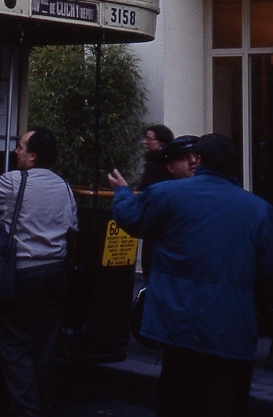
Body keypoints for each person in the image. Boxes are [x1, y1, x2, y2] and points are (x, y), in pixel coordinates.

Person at [109, 134, 273, 417]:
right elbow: (267, 273)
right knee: (225, 403)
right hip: (231, 329)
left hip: (179, 324)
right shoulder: (259, 209)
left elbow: (132, 219)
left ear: (199, 160)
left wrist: (122, 193)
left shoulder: (167, 194)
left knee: (178, 399)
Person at [0, 127, 78, 417]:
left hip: (23, 273)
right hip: (56, 272)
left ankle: (29, 411)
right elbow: (72, 227)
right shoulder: (64, 187)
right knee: (46, 346)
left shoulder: (15, 182)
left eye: (21, 146)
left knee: (15, 346)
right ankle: (47, 406)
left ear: (34, 155)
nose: (17, 150)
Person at [139, 134, 200, 281]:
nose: (193, 162)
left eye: (197, 156)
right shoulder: (162, 197)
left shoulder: (219, 193)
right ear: (170, 167)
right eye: (184, 158)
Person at [137, 123, 175, 191]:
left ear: (162, 141)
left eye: (149, 139)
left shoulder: (155, 166)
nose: (144, 142)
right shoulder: (171, 160)